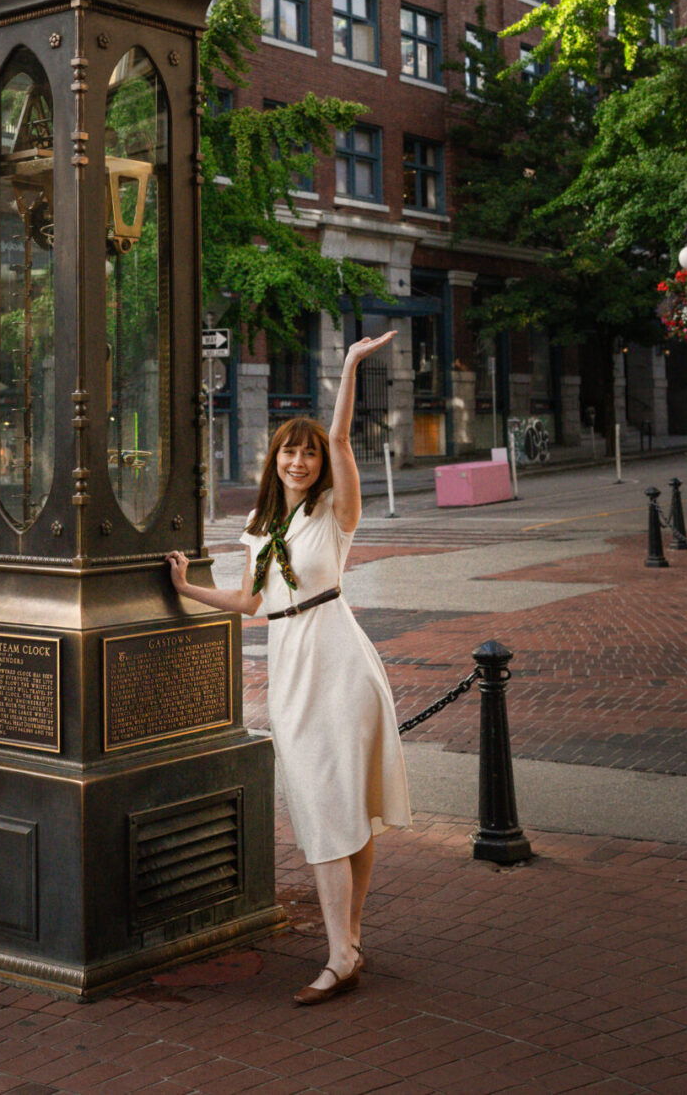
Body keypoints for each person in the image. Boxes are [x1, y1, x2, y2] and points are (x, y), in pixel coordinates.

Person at [168, 332, 411, 1006]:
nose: (300, 459)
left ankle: (340, 953)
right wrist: (189, 588)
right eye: (289, 450)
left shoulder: (337, 514)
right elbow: (249, 601)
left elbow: (340, 442)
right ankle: (350, 942)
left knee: (340, 806)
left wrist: (352, 366)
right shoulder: (260, 529)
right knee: (330, 807)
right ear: (273, 459)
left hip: (338, 657)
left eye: (306, 451)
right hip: (290, 664)